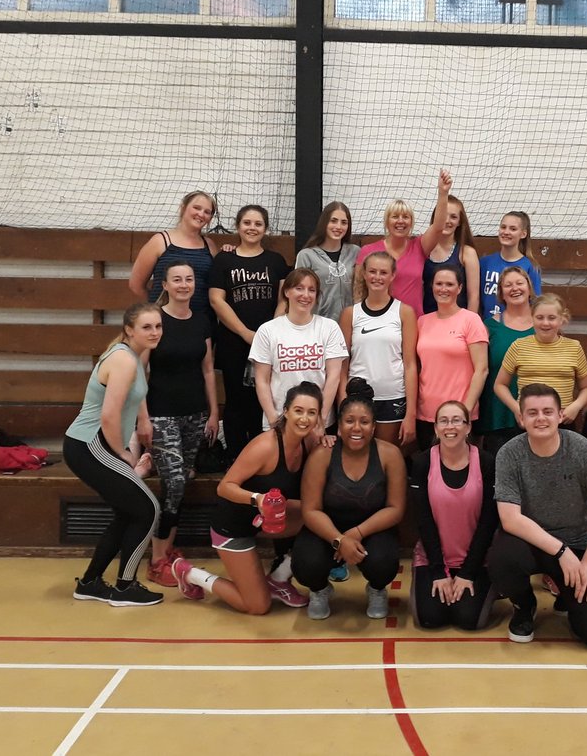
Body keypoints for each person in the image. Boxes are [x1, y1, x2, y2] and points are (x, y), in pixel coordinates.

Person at [171, 383, 324, 612]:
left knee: (322, 515)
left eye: (311, 413)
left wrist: (329, 443)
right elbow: (224, 487)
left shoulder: (308, 441)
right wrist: (258, 499)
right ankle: (191, 574)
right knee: (258, 606)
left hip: (263, 522)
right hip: (232, 528)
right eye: (298, 411)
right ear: (285, 411)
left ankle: (279, 578)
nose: (304, 419)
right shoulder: (265, 446)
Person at [490, 384, 587, 648]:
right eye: (533, 412)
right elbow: (510, 519)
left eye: (548, 411)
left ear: (560, 415)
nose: (541, 418)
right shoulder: (509, 454)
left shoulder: (582, 449)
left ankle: (566, 595)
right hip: (532, 543)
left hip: (578, 543)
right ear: (521, 418)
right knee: (502, 558)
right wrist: (561, 552)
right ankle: (524, 605)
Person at [65, 303, 164, 607]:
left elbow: (136, 393)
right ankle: (125, 587)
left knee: (128, 512)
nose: (155, 332)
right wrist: (123, 453)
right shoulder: (123, 360)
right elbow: (109, 415)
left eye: (158, 326)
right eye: (147, 327)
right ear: (129, 330)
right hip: (90, 444)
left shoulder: (133, 354)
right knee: (148, 509)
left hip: (93, 444)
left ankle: (90, 583)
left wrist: (144, 419)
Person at [292, 379, 407, 620]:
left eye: (364, 422)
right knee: (305, 564)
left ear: (373, 427)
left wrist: (356, 533)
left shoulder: (390, 454)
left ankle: (377, 589)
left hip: (372, 529)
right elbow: (311, 510)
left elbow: (395, 509)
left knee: (383, 563)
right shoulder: (322, 454)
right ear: (339, 426)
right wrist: (339, 539)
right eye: (349, 421)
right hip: (327, 528)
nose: (357, 428)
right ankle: (319, 590)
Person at [140, 263, 219, 587]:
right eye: (177, 280)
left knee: (181, 482)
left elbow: (208, 370)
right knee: (172, 482)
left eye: (189, 279)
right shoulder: (155, 320)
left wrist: (213, 412)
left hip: (195, 414)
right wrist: (142, 418)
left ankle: (167, 548)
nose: (184, 284)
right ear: (165, 284)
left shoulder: (201, 321)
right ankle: (156, 560)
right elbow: (139, 372)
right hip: (161, 415)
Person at [208, 205, 290, 460]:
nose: (252, 228)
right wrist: (245, 333)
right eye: (247, 223)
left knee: (262, 398)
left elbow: (283, 299)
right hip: (234, 341)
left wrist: (268, 333)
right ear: (238, 226)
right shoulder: (224, 260)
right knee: (235, 400)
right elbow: (216, 300)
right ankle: (235, 457)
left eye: (258, 224)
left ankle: (261, 457)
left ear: (265, 228)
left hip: (267, 343)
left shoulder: (275, 261)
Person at [409, 400, 499, 631]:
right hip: (433, 559)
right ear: (436, 428)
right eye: (444, 421)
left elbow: (488, 522)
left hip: (476, 559)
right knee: (430, 619)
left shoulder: (487, 462)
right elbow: (423, 520)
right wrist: (438, 571)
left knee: (469, 620)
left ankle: (489, 586)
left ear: (468, 427)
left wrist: (468, 572)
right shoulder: (422, 462)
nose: (450, 426)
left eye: (457, 420)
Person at [248, 269, 348, 432]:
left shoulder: (329, 328)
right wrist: (273, 420)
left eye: (311, 290)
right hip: (280, 422)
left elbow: (333, 377)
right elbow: (262, 380)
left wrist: (320, 419)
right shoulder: (267, 330)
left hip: (318, 423)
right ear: (287, 292)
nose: (306, 295)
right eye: (299, 288)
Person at [340, 250, 418, 448]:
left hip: (392, 397)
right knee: (357, 455)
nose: (377, 277)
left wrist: (410, 413)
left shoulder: (404, 312)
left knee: (386, 455)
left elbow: (410, 365)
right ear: (364, 274)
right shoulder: (350, 314)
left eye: (383, 272)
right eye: (372, 271)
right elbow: (343, 366)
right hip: (357, 397)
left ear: (392, 276)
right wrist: (342, 405)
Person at [355, 171, 452, 317]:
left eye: (406, 217)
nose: (400, 221)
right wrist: (359, 318)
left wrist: (443, 193)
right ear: (387, 222)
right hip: (378, 321)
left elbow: (438, 226)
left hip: (413, 321)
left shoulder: (419, 246)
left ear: (411, 222)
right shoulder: (368, 251)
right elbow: (358, 289)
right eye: (395, 216)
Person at [415, 265, 489, 450]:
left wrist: (465, 411)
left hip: (459, 415)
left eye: (449, 284)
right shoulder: (422, 321)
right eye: (439, 284)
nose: (443, 289)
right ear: (432, 287)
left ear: (460, 288)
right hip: (426, 414)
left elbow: (481, 369)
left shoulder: (471, 320)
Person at [493, 293, 587, 426]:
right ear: (532, 318)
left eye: (552, 318)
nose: (545, 323)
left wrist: (576, 406)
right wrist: (517, 409)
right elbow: (500, 385)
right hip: (529, 420)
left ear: (562, 319)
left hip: (563, 420)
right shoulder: (519, 346)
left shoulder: (574, 347)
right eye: (540, 317)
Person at [128, 191, 219, 316]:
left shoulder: (210, 246)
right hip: (165, 321)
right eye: (197, 208)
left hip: (202, 320)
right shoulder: (160, 241)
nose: (201, 214)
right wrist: (155, 308)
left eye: (207, 212)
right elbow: (136, 285)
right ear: (183, 207)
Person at [477, 266, 535, 454]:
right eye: (508, 285)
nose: (515, 288)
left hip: (538, 416)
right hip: (498, 417)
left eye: (519, 283)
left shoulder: (544, 324)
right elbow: (479, 370)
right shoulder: (488, 327)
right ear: (501, 293)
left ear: (529, 287)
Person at [294, 202, 360, 321]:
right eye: (333, 221)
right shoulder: (306, 255)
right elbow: (298, 292)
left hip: (350, 322)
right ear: (324, 222)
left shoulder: (355, 252)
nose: (338, 227)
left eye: (344, 222)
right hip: (318, 322)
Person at [422, 193, 481, 314]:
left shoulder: (467, 253)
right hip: (428, 318)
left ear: (459, 222)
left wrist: (470, 322)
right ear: (436, 217)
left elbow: (473, 297)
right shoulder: (424, 248)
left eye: (453, 217)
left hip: (458, 321)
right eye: (443, 215)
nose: (447, 221)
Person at [479, 211, 542, 321]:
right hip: (487, 325)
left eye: (513, 229)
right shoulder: (485, 262)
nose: (506, 232)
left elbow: (535, 303)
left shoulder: (530, 266)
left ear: (523, 234)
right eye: (503, 227)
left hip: (515, 326)